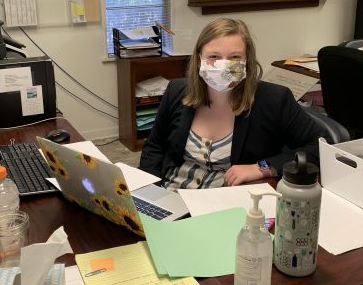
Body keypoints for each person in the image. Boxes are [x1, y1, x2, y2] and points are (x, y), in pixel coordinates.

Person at [139, 18, 329, 190]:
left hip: (226, 203)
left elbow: (320, 148)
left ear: (247, 62)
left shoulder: (274, 100)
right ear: (198, 60)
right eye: (214, 56)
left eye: (235, 57)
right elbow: (154, 147)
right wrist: (151, 192)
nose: (224, 65)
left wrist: (262, 167)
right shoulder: (177, 91)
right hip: (173, 191)